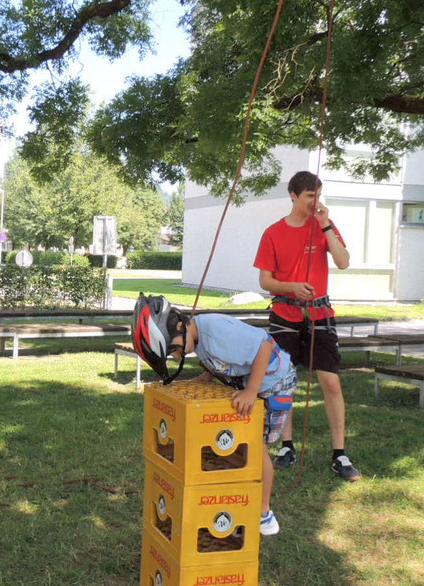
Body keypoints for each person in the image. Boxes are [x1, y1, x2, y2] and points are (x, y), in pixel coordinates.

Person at [132, 294, 296, 536]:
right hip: (247, 382)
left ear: (180, 327)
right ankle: (238, 507)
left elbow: (264, 348)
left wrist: (251, 391)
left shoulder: (217, 332)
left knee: (255, 448)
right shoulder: (196, 336)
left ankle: (263, 512)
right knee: (238, 447)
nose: (176, 356)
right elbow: (218, 357)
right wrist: (207, 376)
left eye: (174, 349)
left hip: (274, 384)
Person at [253, 170, 361, 481]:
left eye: (319, 195)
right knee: (282, 381)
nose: (316, 201)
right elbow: (265, 281)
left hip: (320, 315)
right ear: (294, 195)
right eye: (310, 196)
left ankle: (339, 454)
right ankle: (286, 447)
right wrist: (291, 287)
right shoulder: (273, 233)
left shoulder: (324, 225)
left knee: (331, 382)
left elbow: (343, 262)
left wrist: (326, 225)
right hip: (284, 315)